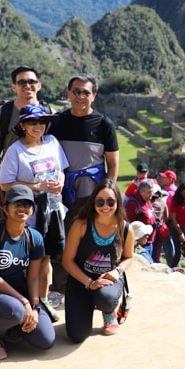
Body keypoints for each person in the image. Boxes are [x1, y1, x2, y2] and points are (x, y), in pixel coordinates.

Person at [49, 73, 119, 297]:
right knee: (61, 241)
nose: (80, 96)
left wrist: (108, 198)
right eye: (76, 91)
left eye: (86, 92)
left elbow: (113, 162)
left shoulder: (103, 124)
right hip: (62, 194)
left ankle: (92, 287)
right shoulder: (58, 122)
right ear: (69, 93)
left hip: (91, 196)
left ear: (94, 96)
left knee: (90, 243)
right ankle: (60, 288)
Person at [0, 185, 56, 360]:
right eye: (17, 203)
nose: (22, 208)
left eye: (27, 204)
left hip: (14, 297)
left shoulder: (34, 237)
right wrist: (24, 302)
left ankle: (11, 327)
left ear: (32, 210)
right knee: (15, 310)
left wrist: (35, 307)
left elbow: (33, 277)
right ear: (5, 207)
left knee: (45, 340)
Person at [0, 103, 69, 320]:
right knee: (28, 259)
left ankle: (43, 300)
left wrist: (59, 184)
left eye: (41, 121)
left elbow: (62, 171)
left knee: (46, 256)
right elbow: (5, 184)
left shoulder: (52, 142)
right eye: (32, 122)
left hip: (53, 210)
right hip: (28, 214)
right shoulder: (15, 151)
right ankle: (26, 302)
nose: (37, 126)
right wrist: (36, 188)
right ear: (23, 125)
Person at [62, 179, 134, 342]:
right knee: (77, 335)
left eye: (110, 202)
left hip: (109, 280)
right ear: (93, 203)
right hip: (81, 279)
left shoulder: (125, 228)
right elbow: (67, 260)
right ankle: (86, 304)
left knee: (106, 299)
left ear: (118, 202)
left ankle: (109, 312)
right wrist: (88, 282)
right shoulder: (81, 224)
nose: (105, 206)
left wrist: (118, 271)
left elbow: (129, 257)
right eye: (100, 202)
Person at [0, 66, 47, 208]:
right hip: (12, 186)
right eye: (21, 82)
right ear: (14, 87)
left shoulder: (48, 113)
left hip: (44, 186)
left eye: (31, 81)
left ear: (39, 85)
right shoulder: (2, 114)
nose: (27, 85)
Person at [124, 180, 157, 260]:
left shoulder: (146, 200)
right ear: (141, 192)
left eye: (152, 192)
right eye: (149, 192)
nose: (151, 195)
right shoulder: (133, 204)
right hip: (140, 244)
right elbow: (129, 225)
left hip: (149, 241)